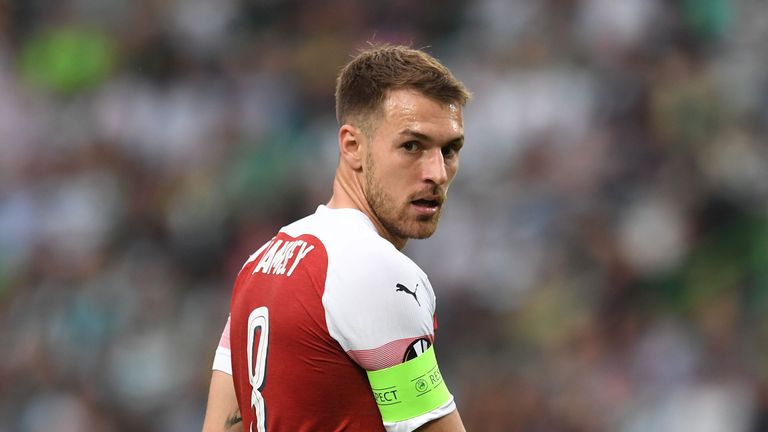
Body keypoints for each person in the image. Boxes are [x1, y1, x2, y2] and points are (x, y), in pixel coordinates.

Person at [202, 44, 470, 432]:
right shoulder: (375, 272)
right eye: (412, 146)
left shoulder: (261, 263)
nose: (437, 173)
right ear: (352, 146)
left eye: (450, 150)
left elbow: (220, 426)